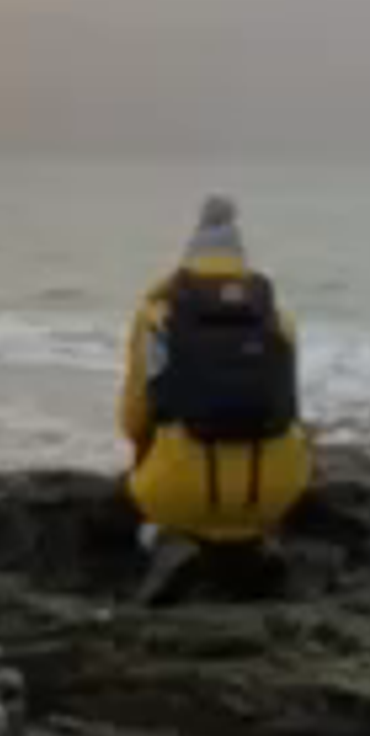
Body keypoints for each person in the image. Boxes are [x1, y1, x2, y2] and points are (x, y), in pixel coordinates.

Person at [118, 192, 313, 557]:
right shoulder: (278, 320)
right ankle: (259, 541)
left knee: (152, 490)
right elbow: (291, 412)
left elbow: (133, 420)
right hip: (273, 493)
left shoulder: (158, 317)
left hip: (176, 495)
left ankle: (164, 540)